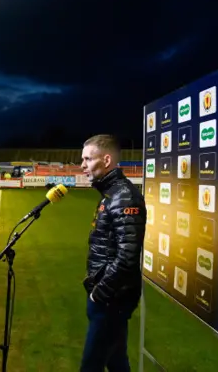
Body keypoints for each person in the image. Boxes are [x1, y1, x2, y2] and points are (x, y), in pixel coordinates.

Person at [79, 134, 146, 372]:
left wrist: (100, 293)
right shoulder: (111, 194)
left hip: (112, 299)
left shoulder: (124, 196)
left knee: (91, 367)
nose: (82, 165)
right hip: (108, 297)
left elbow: (127, 257)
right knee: (117, 362)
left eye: (88, 159)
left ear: (106, 160)